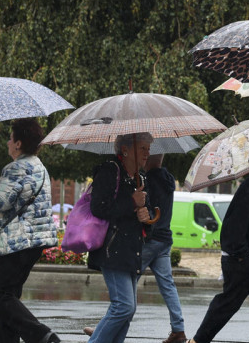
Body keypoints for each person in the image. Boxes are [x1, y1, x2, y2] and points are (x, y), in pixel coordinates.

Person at [0, 119, 60, 343]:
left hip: (15, 241)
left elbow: (0, 203)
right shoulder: (39, 165)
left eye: (10, 138)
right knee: (9, 296)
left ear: (18, 143)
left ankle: (42, 336)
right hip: (35, 241)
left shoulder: (15, 167)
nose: (8, 143)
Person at [85, 133, 158, 343]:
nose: (147, 153)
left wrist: (146, 218)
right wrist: (132, 203)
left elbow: (146, 218)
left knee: (128, 310)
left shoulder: (141, 178)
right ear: (125, 150)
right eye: (143, 148)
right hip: (112, 248)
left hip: (131, 251)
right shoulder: (110, 170)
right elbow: (99, 208)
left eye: (148, 148)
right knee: (123, 306)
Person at [190, 171, 249, 343]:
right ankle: (198, 340)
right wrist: (241, 255)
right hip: (243, 259)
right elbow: (235, 225)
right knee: (229, 302)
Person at [143, 153, 187, 343]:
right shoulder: (169, 180)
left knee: (125, 280)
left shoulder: (149, 180)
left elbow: (146, 210)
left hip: (150, 239)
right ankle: (178, 330)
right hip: (164, 239)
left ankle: (109, 327)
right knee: (168, 285)